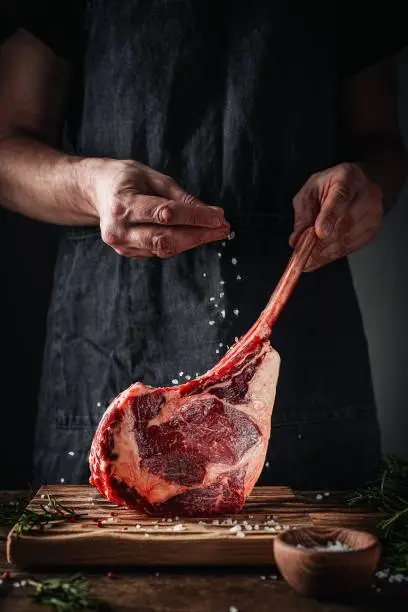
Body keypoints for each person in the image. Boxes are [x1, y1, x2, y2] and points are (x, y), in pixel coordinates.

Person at [0, 1, 406, 490]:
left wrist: (366, 190)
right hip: (112, 334)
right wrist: (90, 187)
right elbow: (8, 147)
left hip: (304, 341)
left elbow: (381, 141)